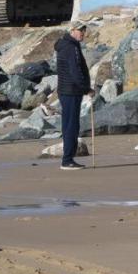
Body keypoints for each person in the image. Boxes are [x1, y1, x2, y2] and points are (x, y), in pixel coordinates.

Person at [54, 22, 92, 171]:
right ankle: (67, 160)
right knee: (71, 126)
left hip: (67, 91)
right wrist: (86, 89)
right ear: (72, 30)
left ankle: (68, 158)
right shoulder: (70, 47)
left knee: (69, 125)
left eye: (84, 30)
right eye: (80, 30)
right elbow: (75, 71)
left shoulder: (68, 45)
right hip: (71, 91)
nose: (83, 32)